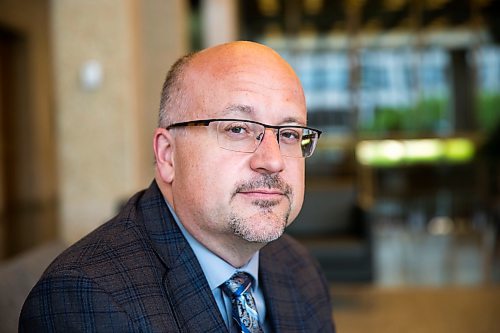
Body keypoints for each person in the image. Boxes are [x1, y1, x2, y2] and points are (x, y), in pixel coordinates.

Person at [19, 41, 335, 332]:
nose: (273, 161)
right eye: (237, 128)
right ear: (168, 155)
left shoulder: (299, 267)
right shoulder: (84, 298)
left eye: (291, 134)